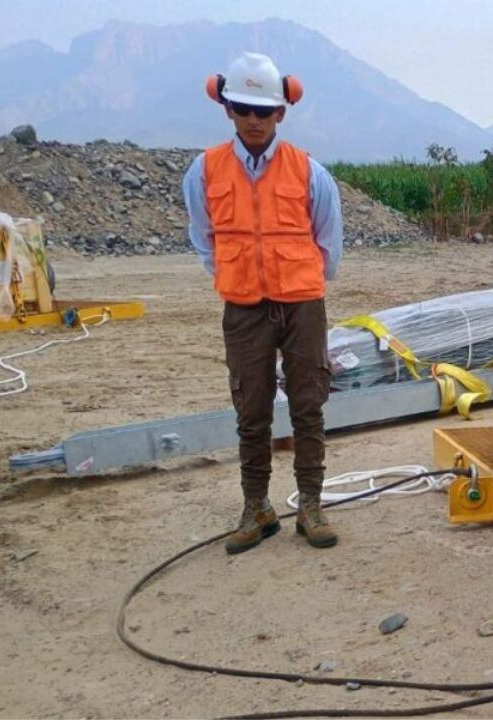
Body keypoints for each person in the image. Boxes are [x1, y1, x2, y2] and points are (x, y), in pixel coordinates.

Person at [182, 52, 344, 554]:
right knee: (250, 412)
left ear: (282, 111)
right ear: (226, 107)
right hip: (244, 308)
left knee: (307, 407)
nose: (254, 119)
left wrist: (301, 285)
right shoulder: (204, 171)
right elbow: (204, 237)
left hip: (301, 305)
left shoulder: (309, 172)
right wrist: (238, 278)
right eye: (243, 108)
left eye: (264, 110)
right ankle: (257, 509)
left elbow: (328, 241)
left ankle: (311, 507)